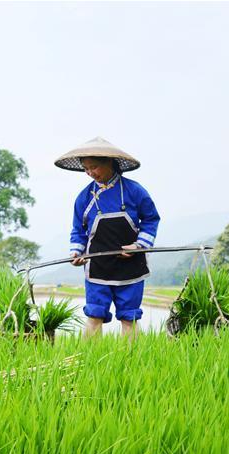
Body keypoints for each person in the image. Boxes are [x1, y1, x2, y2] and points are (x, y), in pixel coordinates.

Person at [54, 137, 160, 339]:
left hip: (131, 265)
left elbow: (151, 219)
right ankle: (90, 361)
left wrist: (139, 245)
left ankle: (131, 362)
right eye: (86, 169)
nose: (90, 173)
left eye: (94, 167)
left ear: (109, 163)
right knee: (94, 314)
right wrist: (77, 252)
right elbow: (78, 230)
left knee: (129, 317)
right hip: (97, 266)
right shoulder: (84, 197)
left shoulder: (134, 191)